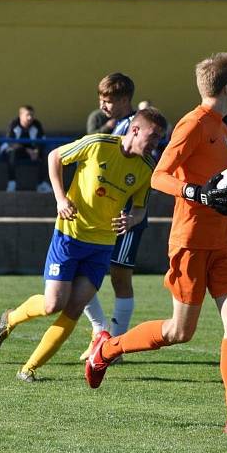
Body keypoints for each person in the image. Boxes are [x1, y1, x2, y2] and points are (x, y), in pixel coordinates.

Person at [83, 52, 227, 435]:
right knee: (178, 332)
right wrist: (196, 193)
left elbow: (218, 185)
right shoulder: (193, 124)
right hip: (190, 241)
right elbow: (159, 177)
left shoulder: (222, 129)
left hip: (223, 242)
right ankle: (105, 350)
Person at [0, 108, 167, 382]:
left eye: (160, 140)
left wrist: (131, 219)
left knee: (74, 307)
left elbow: (140, 208)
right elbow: (54, 156)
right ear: (136, 130)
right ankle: (8, 321)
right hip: (69, 236)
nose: (156, 144)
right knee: (52, 304)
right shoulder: (98, 144)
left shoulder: (146, 168)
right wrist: (60, 198)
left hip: (102, 246)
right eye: (153, 137)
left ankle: (29, 369)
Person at [78, 73, 152, 362]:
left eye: (108, 101)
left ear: (124, 100)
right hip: (99, 210)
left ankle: (115, 347)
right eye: (100, 99)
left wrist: (134, 214)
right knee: (81, 273)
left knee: (120, 276)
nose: (102, 106)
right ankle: (100, 333)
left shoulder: (140, 127)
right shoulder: (109, 127)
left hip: (127, 213)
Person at [0, 105, 52, 192]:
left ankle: (41, 184)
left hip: (31, 153)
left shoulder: (37, 124)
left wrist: (36, 151)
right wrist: (27, 150)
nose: (30, 117)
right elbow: (11, 143)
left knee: (46, 155)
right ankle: (12, 183)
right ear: (20, 115)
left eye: (32, 115)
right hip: (13, 151)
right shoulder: (14, 124)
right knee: (12, 153)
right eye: (27, 115)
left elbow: (42, 141)